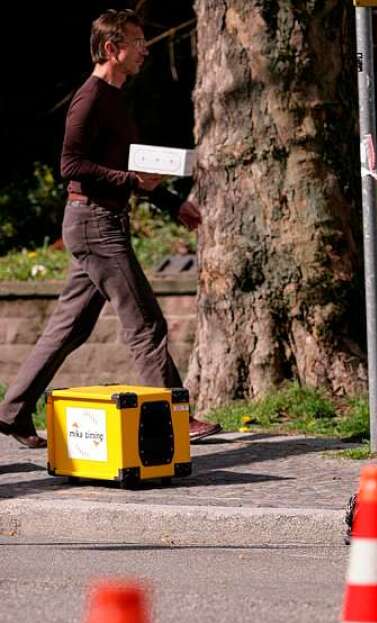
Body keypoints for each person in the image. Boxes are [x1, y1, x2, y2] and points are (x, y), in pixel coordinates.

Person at [0, 8, 220, 448]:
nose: (145, 50)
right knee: (146, 324)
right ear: (110, 49)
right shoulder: (91, 98)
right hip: (95, 224)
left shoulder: (116, 98)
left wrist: (171, 203)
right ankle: (175, 419)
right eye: (137, 43)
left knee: (70, 328)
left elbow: (129, 168)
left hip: (98, 222)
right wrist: (129, 182)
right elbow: (71, 165)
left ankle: (11, 413)